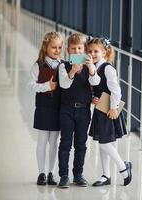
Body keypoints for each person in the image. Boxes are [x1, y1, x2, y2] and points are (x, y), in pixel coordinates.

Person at [87, 37, 132, 186]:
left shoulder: (107, 68)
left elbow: (116, 90)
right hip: (100, 108)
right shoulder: (93, 67)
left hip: (108, 110)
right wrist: (94, 98)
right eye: (90, 51)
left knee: (105, 143)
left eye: (96, 51)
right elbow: (96, 86)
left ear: (104, 52)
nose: (92, 54)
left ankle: (124, 168)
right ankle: (106, 175)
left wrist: (114, 107)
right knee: (103, 143)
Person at [57, 33, 100, 188]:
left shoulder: (90, 66)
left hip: (84, 111)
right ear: (68, 50)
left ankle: (78, 174)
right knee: (65, 143)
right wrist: (72, 71)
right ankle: (63, 175)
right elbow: (64, 85)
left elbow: (95, 81)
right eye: (73, 49)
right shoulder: (64, 66)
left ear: (85, 50)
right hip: (66, 110)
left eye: (80, 48)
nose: (76, 52)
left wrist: (90, 68)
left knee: (81, 144)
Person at [28, 32, 63, 185]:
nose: (57, 50)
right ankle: (41, 173)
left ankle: (51, 173)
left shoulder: (64, 64)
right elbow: (31, 85)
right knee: (42, 140)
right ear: (46, 47)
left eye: (60, 47)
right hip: (43, 107)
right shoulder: (38, 65)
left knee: (54, 141)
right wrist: (46, 86)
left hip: (58, 108)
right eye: (53, 47)